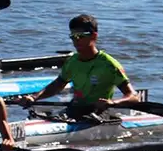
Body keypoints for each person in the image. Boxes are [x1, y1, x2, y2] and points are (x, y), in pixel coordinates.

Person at [10, 14, 140, 119]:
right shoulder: (72, 61)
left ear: (94, 36)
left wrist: (113, 102)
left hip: (98, 112)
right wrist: (34, 97)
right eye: (72, 37)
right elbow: (57, 85)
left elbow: (134, 97)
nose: (75, 41)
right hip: (75, 108)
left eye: (80, 36)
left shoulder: (109, 64)